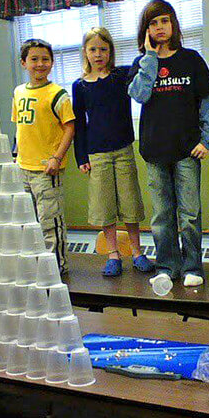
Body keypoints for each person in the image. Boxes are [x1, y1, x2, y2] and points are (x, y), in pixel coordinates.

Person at [128, 0, 209, 289]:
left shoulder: (191, 59)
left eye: (164, 21)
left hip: (187, 150)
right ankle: (166, 266)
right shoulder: (141, 63)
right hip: (155, 151)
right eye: (153, 23)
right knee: (162, 215)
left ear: (173, 24)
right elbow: (139, 95)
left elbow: (208, 102)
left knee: (190, 213)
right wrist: (151, 59)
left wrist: (208, 139)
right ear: (146, 30)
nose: (160, 27)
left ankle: (193, 267)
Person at [72, 27, 153, 276]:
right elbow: (78, 122)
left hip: (123, 149)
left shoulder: (121, 76)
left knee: (130, 202)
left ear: (111, 52)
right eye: (93, 49)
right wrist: (81, 156)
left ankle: (137, 251)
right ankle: (113, 254)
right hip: (97, 153)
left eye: (103, 49)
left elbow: (141, 65)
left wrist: (149, 48)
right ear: (85, 52)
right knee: (105, 205)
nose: (98, 54)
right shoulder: (80, 86)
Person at [12, 38, 75, 273]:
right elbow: (20, 127)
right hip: (23, 168)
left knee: (50, 220)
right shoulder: (18, 92)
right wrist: (14, 157)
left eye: (45, 59)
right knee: (28, 221)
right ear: (24, 63)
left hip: (46, 169)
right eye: (34, 59)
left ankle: (56, 267)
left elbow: (70, 128)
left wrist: (56, 158)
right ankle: (36, 265)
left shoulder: (58, 94)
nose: (40, 64)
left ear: (52, 62)